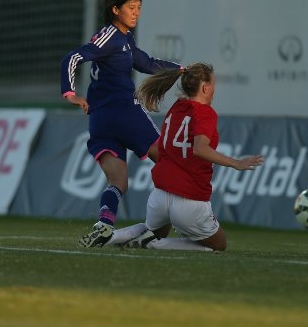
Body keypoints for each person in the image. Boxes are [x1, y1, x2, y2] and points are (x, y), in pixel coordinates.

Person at [60, 0, 182, 248]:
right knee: (172, 161)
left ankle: (104, 224)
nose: (136, 12)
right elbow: (71, 58)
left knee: (118, 183)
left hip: (102, 121)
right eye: (131, 7)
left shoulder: (124, 38)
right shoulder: (110, 36)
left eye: (139, 7)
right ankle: (178, 220)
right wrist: (70, 94)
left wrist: (179, 69)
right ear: (116, 9)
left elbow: (146, 63)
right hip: (125, 113)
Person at [104, 62, 264, 251]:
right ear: (205, 87)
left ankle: (109, 236)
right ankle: (155, 245)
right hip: (190, 200)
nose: (214, 89)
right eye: (213, 84)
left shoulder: (177, 108)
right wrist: (236, 163)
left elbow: (164, 146)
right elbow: (200, 149)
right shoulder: (205, 112)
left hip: (159, 197)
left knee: (153, 230)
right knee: (218, 245)